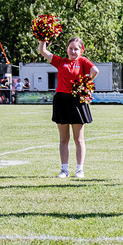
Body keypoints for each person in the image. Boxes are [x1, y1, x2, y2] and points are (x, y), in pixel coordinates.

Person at [39, 37, 98, 178]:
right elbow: (42, 51)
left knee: (78, 139)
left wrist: (85, 83)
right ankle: (64, 170)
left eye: (76, 49)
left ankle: (79, 169)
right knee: (64, 138)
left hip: (77, 100)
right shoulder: (60, 61)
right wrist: (43, 38)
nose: (73, 51)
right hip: (61, 100)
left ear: (81, 50)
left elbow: (95, 70)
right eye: (70, 48)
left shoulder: (82, 61)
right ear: (67, 49)